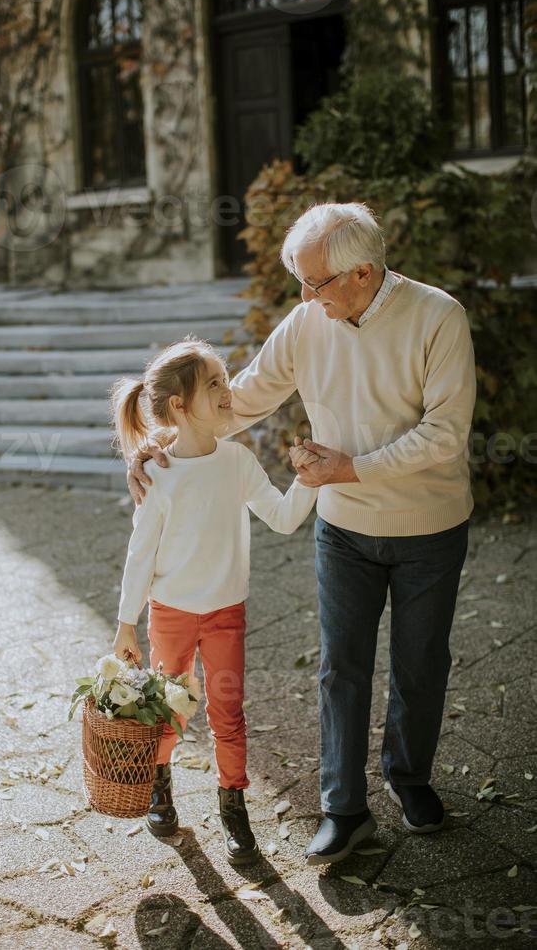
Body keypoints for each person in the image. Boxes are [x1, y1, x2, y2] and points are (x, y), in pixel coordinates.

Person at [126, 202, 477, 865]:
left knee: (421, 664)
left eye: (314, 282)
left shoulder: (438, 318)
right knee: (341, 668)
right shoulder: (307, 323)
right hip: (343, 528)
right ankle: (345, 809)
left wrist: (353, 466)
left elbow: (446, 433)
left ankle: (410, 780)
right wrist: (161, 442)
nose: (304, 295)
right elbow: (241, 401)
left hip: (429, 527)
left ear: (363, 273)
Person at [110, 336, 319, 865]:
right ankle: (160, 787)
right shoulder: (158, 474)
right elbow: (140, 552)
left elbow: (285, 517)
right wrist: (125, 624)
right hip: (172, 615)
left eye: (227, 380)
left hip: (228, 612)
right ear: (178, 406)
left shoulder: (238, 461)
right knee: (170, 709)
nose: (229, 391)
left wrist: (310, 477)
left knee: (228, 714)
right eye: (214, 384)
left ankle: (234, 808)